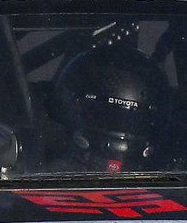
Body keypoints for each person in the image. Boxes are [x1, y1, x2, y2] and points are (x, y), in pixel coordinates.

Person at [50, 41, 167, 170]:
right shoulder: (44, 178)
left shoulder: (172, 179)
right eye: (109, 118)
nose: (124, 131)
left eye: (134, 122)